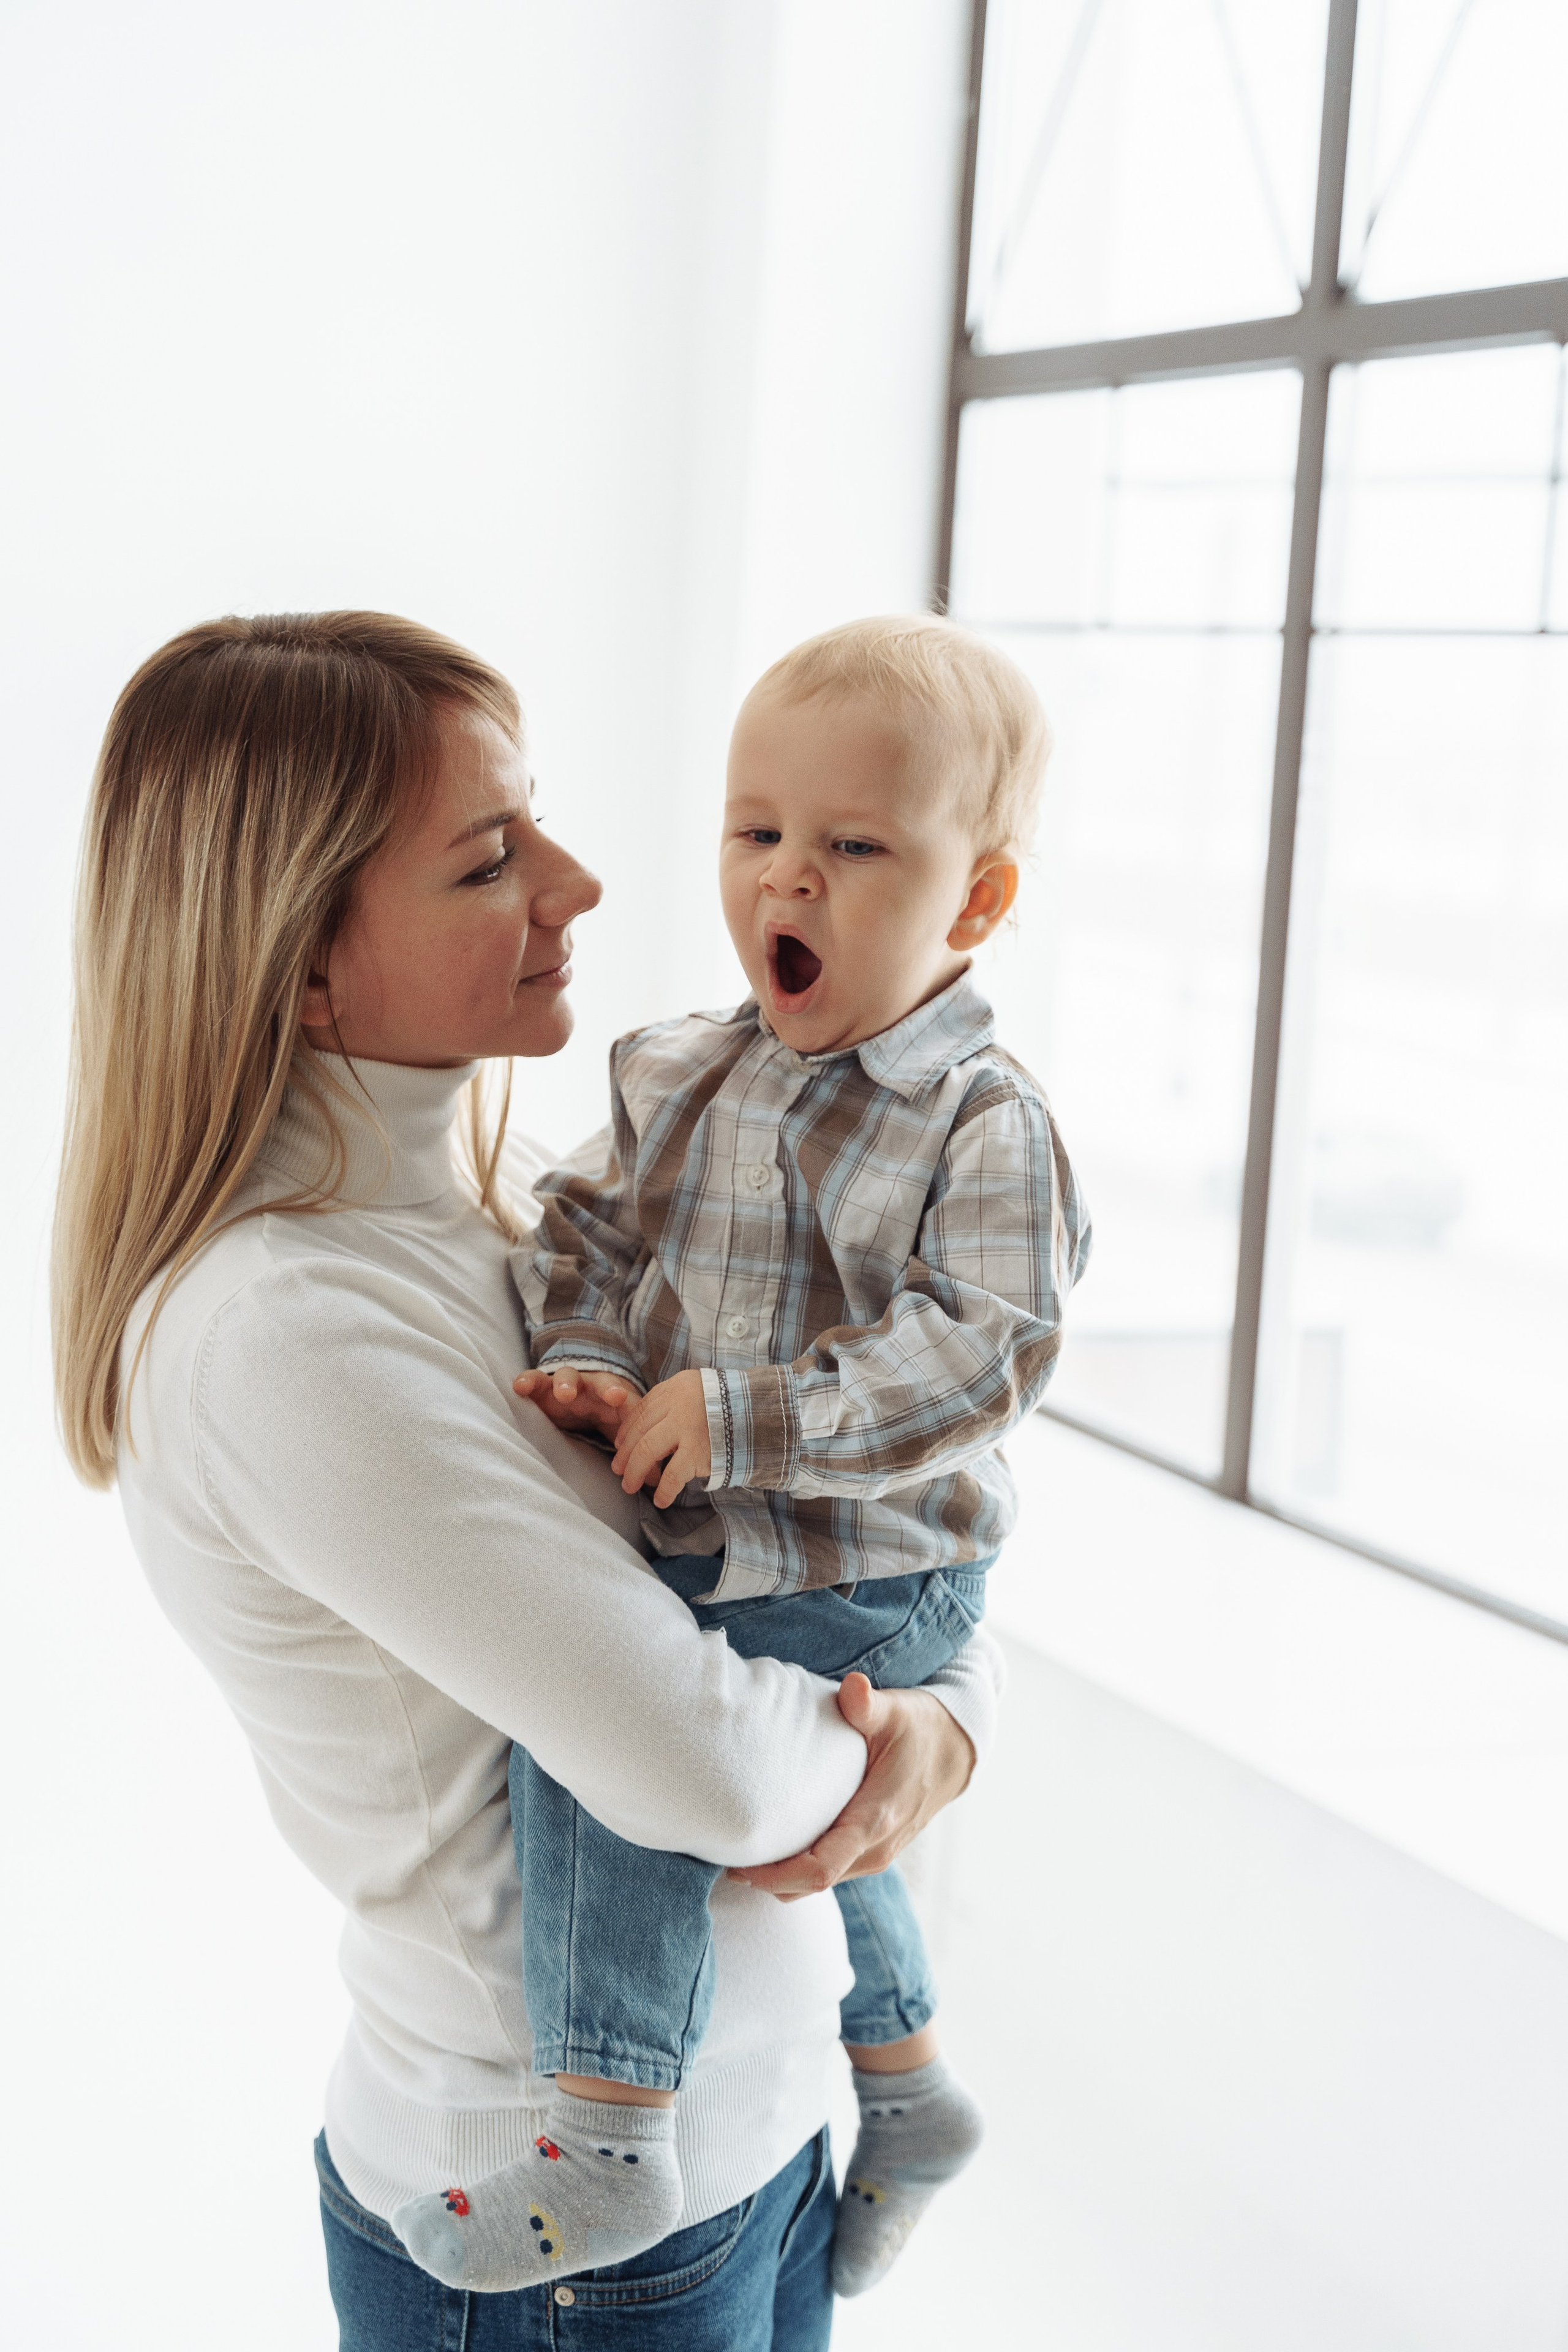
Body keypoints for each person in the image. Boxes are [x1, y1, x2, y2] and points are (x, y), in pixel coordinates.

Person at [51, 611, 1001, 2351]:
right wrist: (925, 1734)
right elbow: (707, 1767)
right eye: (492, 857)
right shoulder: (289, 1333)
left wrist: (955, 1706)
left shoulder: (513, 1213)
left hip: (761, 2154)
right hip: (576, 2255)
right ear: (305, 966)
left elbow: (839, 1546)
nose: (577, 884)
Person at [394, 616, 1090, 2301]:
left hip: (884, 1570)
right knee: (801, 1809)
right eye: (757, 831)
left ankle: (613, 2131)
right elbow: (584, 1231)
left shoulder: (984, 1121)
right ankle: (908, 2086)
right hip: (743, 1553)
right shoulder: (682, 1069)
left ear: (974, 902)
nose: (792, 878)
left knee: (605, 1750)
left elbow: (989, 1349)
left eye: (856, 848)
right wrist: (593, 1351)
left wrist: (754, 1413)